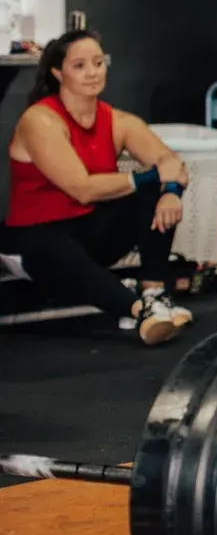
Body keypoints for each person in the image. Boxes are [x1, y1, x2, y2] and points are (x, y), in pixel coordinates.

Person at [3, 29, 193, 345]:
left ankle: (154, 294)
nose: (92, 73)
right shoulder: (40, 121)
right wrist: (152, 176)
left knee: (154, 193)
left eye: (98, 62)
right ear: (57, 73)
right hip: (33, 239)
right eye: (79, 66)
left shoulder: (120, 121)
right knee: (58, 248)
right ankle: (140, 311)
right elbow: (82, 189)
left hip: (87, 233)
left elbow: (169, 160)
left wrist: (170, 189)